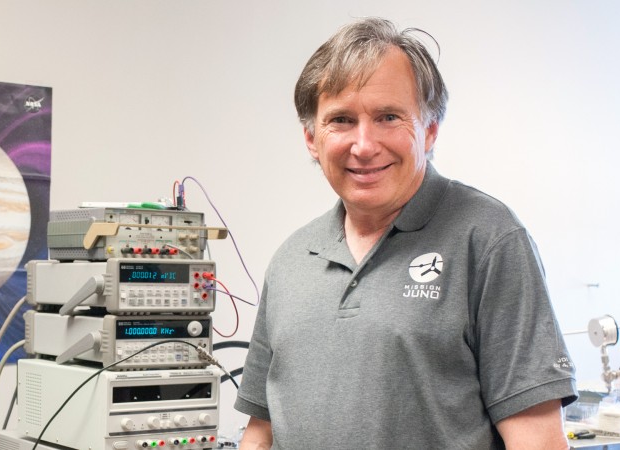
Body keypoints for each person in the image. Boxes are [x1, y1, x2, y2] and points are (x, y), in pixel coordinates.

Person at [234, 17, 577, 449]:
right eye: (341, 120)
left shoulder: (488, 239)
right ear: (311, 138)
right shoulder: (292, 258)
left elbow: (538, 441)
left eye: (388, 117)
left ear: (430, 129)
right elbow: (260, 431)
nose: (364, 145)